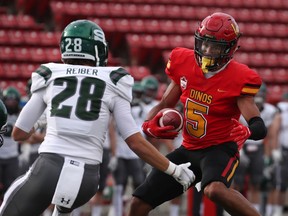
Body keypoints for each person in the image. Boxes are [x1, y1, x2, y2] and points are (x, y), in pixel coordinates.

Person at [0, 19, 195, 216]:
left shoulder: (50, 74)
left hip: (50, 167)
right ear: (96, 49)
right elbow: (135, 142)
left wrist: (42, 121)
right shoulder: (113, 79)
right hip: (88, 178)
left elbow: (18, 133)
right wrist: (173, 170)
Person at [128, 12, 267, 216]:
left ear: (230, 49)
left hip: (219, 150)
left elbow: (258, 124)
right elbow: (165, 103)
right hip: (188, 149)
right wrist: (150, 125)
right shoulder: (183, 61)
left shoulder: (239, 77)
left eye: (216, 46)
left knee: (215, 190)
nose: (208, 51)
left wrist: (247, 132)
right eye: (205, 44)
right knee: (138, 203)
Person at [232, 83, 277, 215]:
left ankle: (253, 211)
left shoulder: (270, 111)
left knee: (256, 183)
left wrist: (270, 154)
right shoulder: (241, 108)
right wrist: (238, 149)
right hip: (242, 145)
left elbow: (272, 133)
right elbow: (235, 128)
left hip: (259, 147)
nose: (260, 97)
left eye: (262, 94)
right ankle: (232, 211)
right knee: (236, 183)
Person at [0, 87, 21, 203]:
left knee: (10, 189)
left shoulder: (20, 115)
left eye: (13, 100)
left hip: (12, 156)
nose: (11, 103)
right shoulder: (1, 113)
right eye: (8, 100)